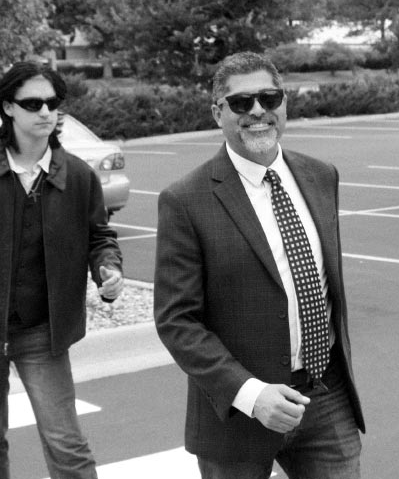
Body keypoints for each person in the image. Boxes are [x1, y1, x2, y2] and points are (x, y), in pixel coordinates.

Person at [154, 51, 364, 478]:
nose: (258, 112)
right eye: (240, 103)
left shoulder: (322, 176)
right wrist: (252, 395)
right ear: (218, 112)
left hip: (325, 397)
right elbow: (178, 321)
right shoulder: (186, 200)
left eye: (270, 99)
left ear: (284, 103)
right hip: (237, 413)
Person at [0, 61, 124, 479]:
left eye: (52, 103)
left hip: (43, 332)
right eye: (33, 103)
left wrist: (107, 268)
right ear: (8, 108)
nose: (45, 112)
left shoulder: (78, 175)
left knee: (68, 446)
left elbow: (99, 236)